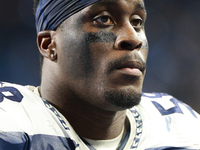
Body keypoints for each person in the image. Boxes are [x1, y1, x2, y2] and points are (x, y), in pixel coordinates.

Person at [0, 0, 200, 149]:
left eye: (137, 22)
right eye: (103, 19)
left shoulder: (178, 126)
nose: (133, 38)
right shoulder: (10, 121)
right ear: (49, 45)